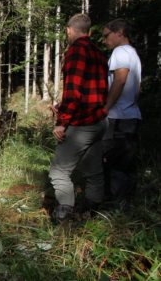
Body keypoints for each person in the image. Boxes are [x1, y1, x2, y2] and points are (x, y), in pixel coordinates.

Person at [48, 13, 108, 222]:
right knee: (93, 171)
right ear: (89, 31)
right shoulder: (99, 53)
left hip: (82, 124)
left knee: (59, 172)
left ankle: (65, 216)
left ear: (69, 30)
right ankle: (91, 213)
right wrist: (62, 107)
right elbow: (92, 91)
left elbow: (74, 91)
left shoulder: (76, 52)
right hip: (99, 121)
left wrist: (62, 122)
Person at [101, 18, 141, 208]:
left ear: (120, 32)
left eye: (106, 35)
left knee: (113, 162)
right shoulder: (133, 53)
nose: (104, 40)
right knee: (126, 163)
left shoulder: (120, 52)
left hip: (118, 118)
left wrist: (106, 107)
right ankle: (127, 206)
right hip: (131, 115)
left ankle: (115, 208)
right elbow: (137, 88)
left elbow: (120, 79)